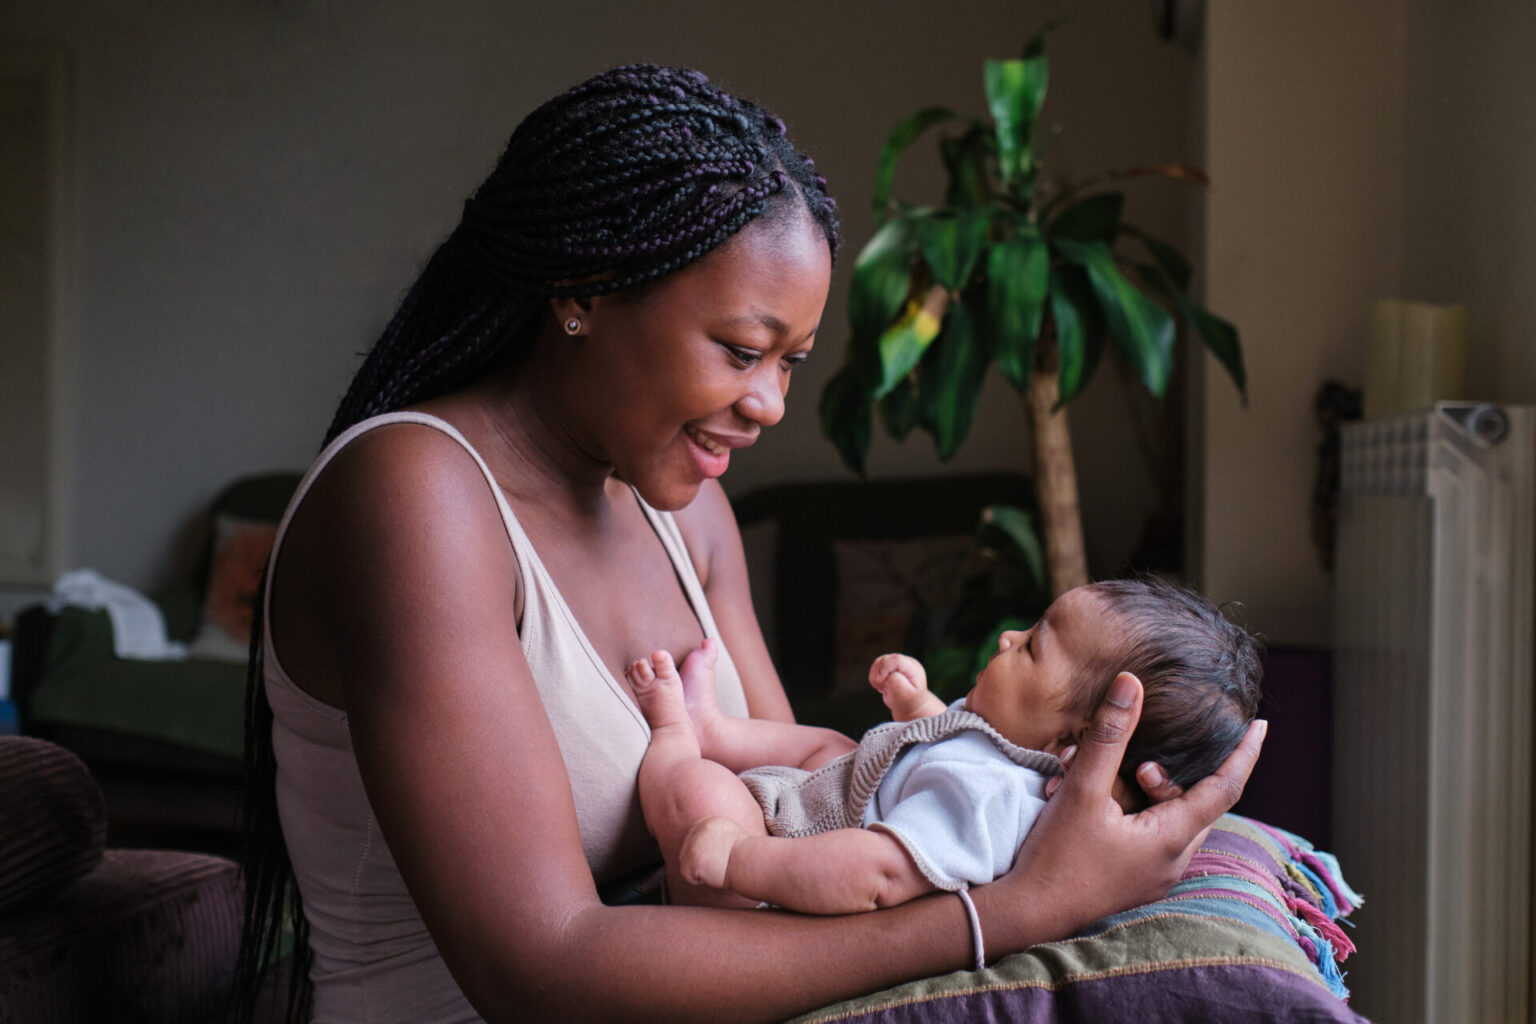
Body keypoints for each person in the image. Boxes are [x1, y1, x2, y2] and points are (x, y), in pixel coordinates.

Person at [229, 63, 1267, 1024]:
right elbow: (539, 969)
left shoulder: (686, 507)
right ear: (583, 291)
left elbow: (803, 822)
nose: (770, 404)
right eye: (741, 350)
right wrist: (1016, 911)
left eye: (795, 363)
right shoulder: (415, 498)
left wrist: (1062, 808)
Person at [627, 578, 1263, 915]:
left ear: (1071, 746)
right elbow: (944, 749)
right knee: (830, 744)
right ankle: (717, 729)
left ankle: (678, 743)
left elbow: (877, 875)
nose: (1010, 637)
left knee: (701, 794)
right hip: (837, 798)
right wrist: (917, 707)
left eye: (1036, 646)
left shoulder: (986, 801)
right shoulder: (1005, 750)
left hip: (783, 884)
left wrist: (742, 859)